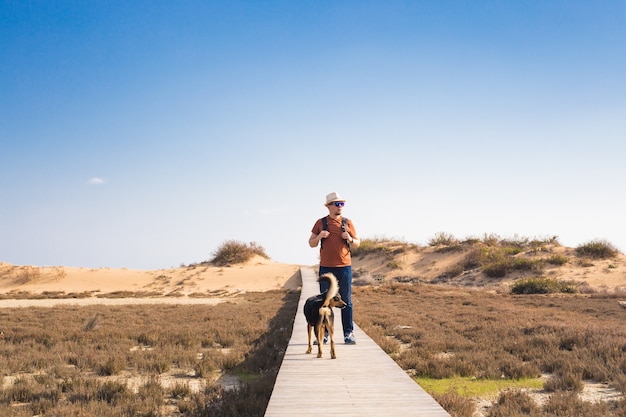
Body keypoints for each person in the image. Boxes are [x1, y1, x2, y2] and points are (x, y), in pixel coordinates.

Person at [308, 191, 360, 344]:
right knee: (325, 301)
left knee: (346, 302)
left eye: (342, 204)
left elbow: (357, 243)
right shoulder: (320, 222)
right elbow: (311, 243)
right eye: (337, 204)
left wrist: (349, 238)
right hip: (326, 268)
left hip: (344, 267)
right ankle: (324, 334)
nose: (340, 207)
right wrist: (319, 236)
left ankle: (348, 334)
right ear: (329, 206)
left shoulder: (347, 222)